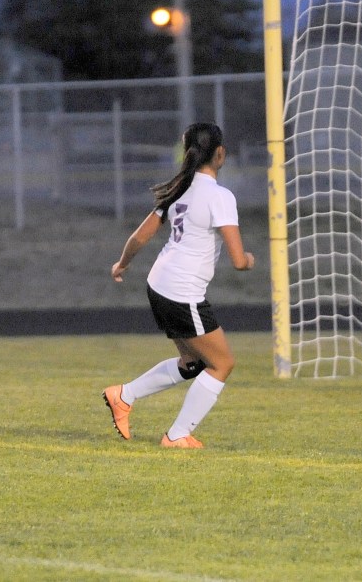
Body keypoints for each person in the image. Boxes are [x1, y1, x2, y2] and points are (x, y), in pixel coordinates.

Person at [103, 122, 255, 448]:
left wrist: (122, 264)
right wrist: (249, 260)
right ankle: (177, 435)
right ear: (220, 154)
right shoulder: (220, 196)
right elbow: (238, 261)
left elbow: (140, 235)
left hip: (159, 285)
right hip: (181, 293)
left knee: (192, 364)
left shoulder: (179, 189)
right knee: (222, 364)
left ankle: (123, 395)